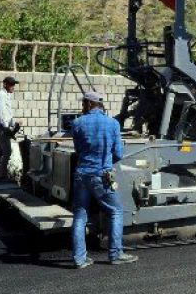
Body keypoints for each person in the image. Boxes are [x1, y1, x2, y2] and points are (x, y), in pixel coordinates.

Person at [71, 91, 138, 269]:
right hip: (101, 176)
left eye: (84, 103)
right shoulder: (113, 124)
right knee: (116, 211)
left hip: (81, 175)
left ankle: (79, 259)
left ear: (90, 104)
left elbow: (78, 150)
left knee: (79, 215)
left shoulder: (77, 123)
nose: (82, 106)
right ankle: (115, 254)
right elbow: (118, 153)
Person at [0, 76, 19, 181]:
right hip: (1, 128)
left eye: (13, 85)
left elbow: (8, 113)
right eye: (11, 84)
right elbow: (0, 112)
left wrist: (13, 123)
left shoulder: (6, 95)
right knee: (7, 151)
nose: (13, 87)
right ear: (5, 84)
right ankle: (2, 176)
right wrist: (6, 127)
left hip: (2, 127)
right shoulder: (1, 95)